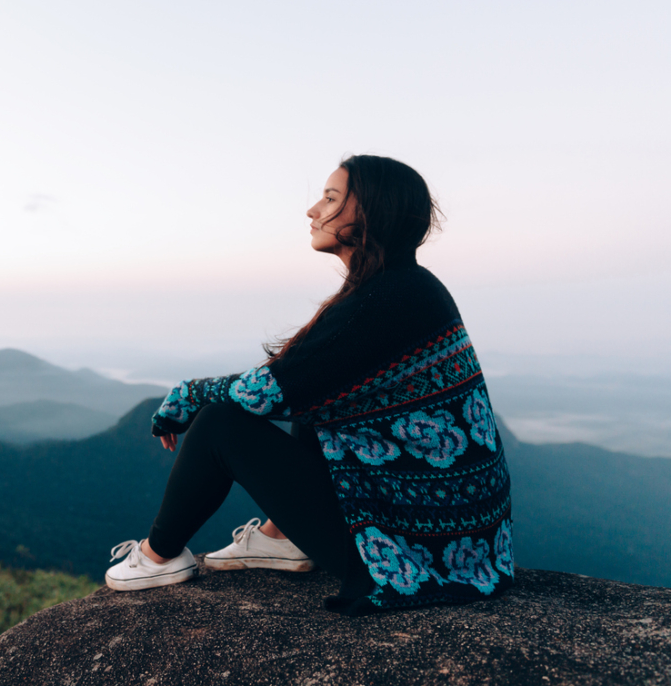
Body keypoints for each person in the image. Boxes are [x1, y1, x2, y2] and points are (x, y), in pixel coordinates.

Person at [105, 155, 513, 615]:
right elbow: (305, 380)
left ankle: (158, 555)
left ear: (372, 211)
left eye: (331, 198)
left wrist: (188, 395)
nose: (313, 210)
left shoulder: (383, 298)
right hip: (461, 547)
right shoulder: (409, 287)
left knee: (220, 424)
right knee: (323, 403)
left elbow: (268, 390)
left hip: (411, 557)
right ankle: (282, 538)